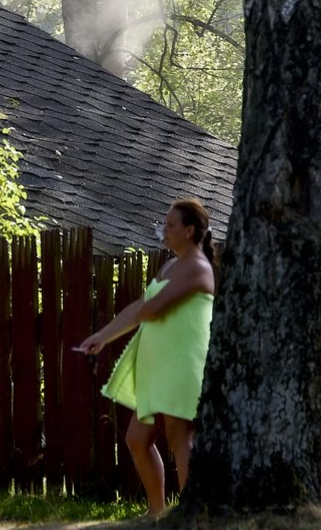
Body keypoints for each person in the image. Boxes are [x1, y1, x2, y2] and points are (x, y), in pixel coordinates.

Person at [74, 198, 215, 517]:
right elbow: (140, 306)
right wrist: (102, 336)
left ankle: (194, 516)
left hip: (182, 366)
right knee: (137, 438)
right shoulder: (170, 265)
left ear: (189, 230)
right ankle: (157, 514)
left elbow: (151, 308)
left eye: (170, 225)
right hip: (160, 366)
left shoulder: (197, 267)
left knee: (180, 438)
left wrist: (145, 310)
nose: (163, 230)